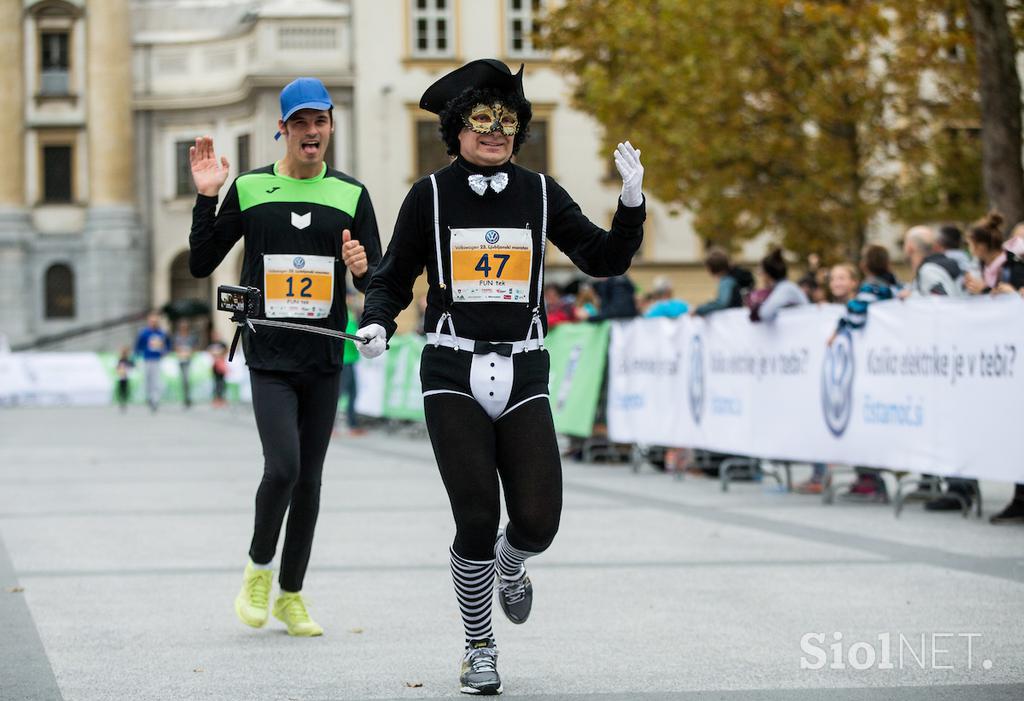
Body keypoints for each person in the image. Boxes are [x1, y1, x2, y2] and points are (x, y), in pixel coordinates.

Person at [355, 59, 645, 695]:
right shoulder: (428, 195)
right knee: (476, 517)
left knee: (538, 522)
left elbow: (604, 259)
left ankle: (514, 564)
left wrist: (629, 204)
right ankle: (479, 646)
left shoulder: (541, 193)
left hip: (523, 367)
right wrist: (379, 320)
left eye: (506, 122)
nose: (494, 131)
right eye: (481, 120)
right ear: (458, 130)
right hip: (452, 368)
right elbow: (393, 274)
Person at [188, 77, 382, 636]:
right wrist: (207, 197)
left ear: (330, 127)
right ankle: (257, 570)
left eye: (319, 121)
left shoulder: (351, 194)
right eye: (299, 123)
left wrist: (364, 268)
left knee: (312, 482)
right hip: (270, 355)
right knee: (285, 468)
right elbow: (203, 262)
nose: (310, 132)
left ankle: (291, 594)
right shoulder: (250, 188)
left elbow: (380, 280)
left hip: (324, 356)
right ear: (283, 129)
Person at [748, 248, 807, 322]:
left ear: (768, 274)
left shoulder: (785, 288)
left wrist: (757, 309)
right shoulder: (784, 287)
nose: (760, 276)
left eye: (761, 272)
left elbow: (765, 313)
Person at [692, 248, 754, 316]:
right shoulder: (736, 278)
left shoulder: (727, 281)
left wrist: (699, 310)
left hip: (732, 318)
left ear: (711, 269)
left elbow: (721, 303)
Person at [133, 311, 169, 413]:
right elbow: (138, 346)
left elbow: (167, 344)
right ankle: (149, 397)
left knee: (156, 380)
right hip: (146, 359)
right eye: (151, 321)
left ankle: (155, 400)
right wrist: (136, 355)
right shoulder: (144, 333)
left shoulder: (161, 332)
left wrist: (165, 351)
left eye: (155, 321)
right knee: (147, 380)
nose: (153, 323)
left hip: (157, 359)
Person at [173, 319, 197, 408]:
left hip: (189, 360)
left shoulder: (191, 336)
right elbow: (175, 347)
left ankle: (189, 398)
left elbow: (195, 346)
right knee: (183, 380)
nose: (183, 328)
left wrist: (190, 351)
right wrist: (180, 351)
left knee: (188, 379)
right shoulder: (177, 337)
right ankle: (185, 398)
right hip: (181, 360)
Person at [207, 331, 229, 407]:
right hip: (214, 365)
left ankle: (222, 399)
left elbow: (225, 351)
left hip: (221, 365)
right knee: (215, 383)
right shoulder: (211, 344)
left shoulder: (222, 344)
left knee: (222, 383)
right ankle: (216, 399)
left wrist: (218, 353)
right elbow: (210, 352)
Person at [115, 347, 134, 412]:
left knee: (125, 390)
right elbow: (117, 368)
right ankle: (122, 402)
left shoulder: (127, 360)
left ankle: (124, 402)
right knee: (122, 390)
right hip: (121, 377)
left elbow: (132, 365)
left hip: (125, 377)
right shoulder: (121, 360)